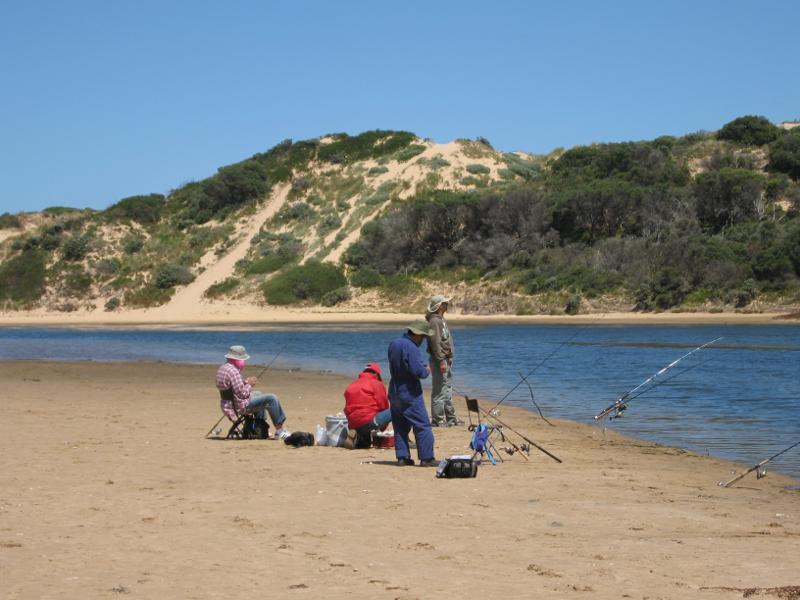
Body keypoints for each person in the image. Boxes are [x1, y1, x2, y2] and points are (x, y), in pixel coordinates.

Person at [387, 321, 437, 467]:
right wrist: (427, 370)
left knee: (400, 426)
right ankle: (427, 458)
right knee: (423, 425)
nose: (424, 340)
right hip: (409, 391)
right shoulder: (411, 347)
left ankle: (402, 457)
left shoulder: (394, 343)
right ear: (417, 335)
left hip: (394, 390)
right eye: (423, 337)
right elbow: (418, 372)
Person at [216, 345, 291, 439]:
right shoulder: (233, 371)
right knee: (272, 398)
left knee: (258, 393)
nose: (244, 362)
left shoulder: (223, 368)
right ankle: (280, 431)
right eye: (243, 359)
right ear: (237, 359)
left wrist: (245, 382)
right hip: (239, 407)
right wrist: (250, 384)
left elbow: (232, 387)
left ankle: (260, 427)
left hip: (228, 405)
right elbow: (242, 394)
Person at [426, 294, 463, 427]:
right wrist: (441, 360)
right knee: (439, 390)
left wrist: (450, 356)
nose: (447, 305)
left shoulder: (441, 319)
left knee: (447, 388)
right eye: (445, 303)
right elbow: (435, 343)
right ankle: (437, 419)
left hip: (446, 358)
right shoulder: (434, 321)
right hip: (439, 360)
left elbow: (446, 340)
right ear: (439, 306)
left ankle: (450, 417)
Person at [343, 362, 391, 449]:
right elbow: (384, 406)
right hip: (368, 421)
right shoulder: (376, 384)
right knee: (396, 410)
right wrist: (382, 428)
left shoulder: (351, 385)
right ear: (377, 374)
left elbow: (347, 409)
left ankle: (359, 437)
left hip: (353, 423)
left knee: (365, 444)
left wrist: (352, 425)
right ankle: (403, 439)